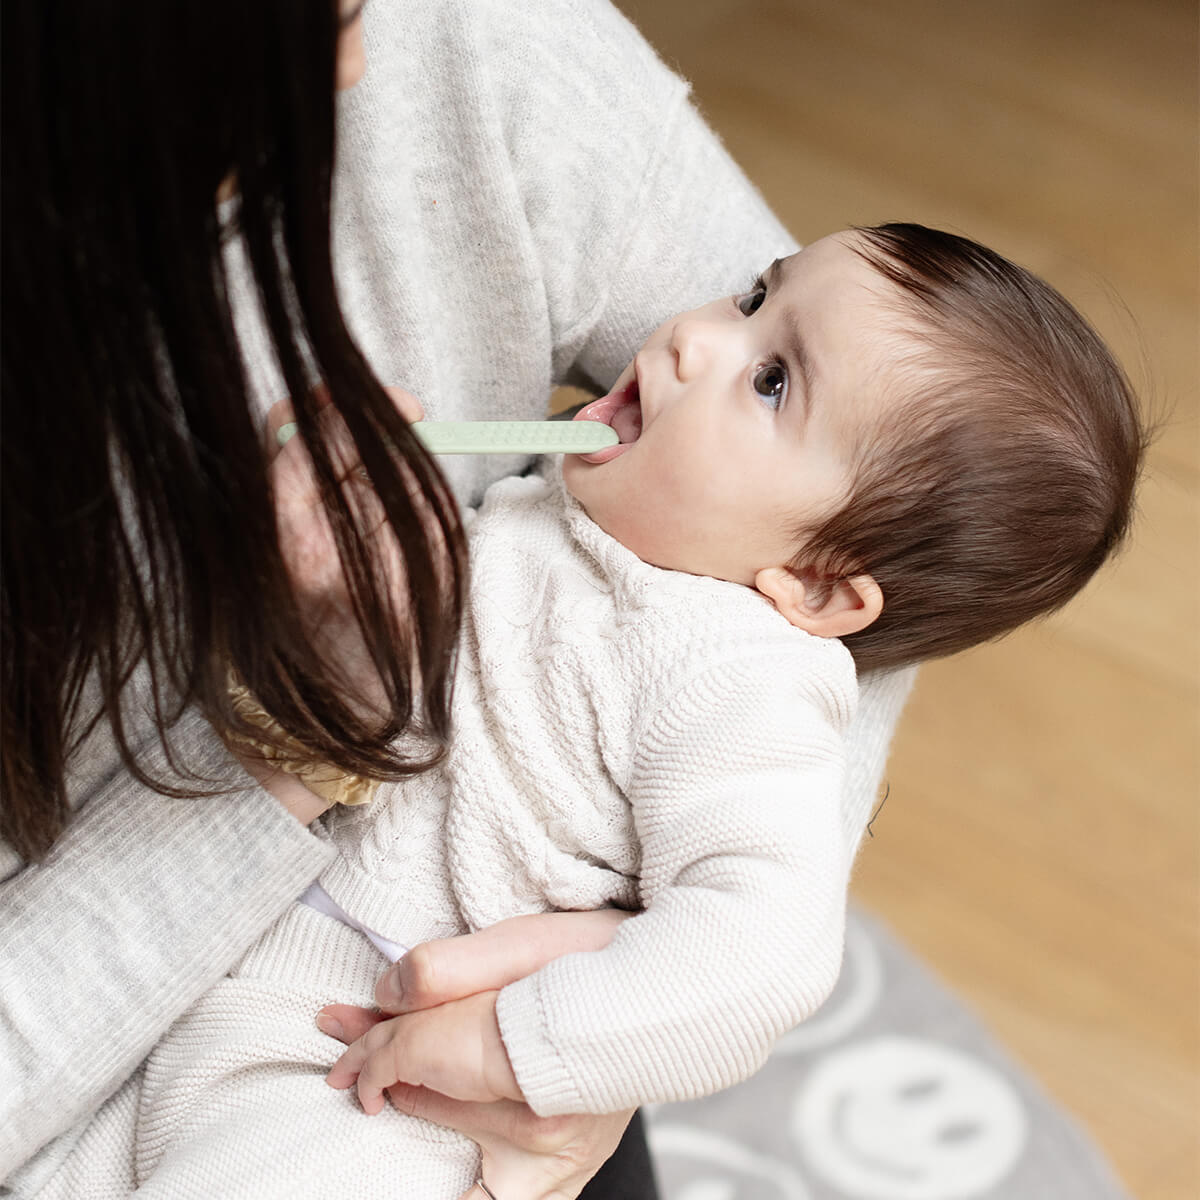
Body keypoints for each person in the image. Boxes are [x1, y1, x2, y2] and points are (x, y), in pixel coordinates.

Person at [0, 1, 917, 1196]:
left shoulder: (734, 652)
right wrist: (315, 711)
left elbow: (896, 475)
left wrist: (584, 1025)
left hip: (375, 1077)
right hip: (118, 1024)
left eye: (765, 357)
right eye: (320, 11)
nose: (365, 57)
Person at [30, 223, 1142, 1198]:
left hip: (368, 1080)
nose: (692, 338)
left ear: (813, 589)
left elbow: (765, 950)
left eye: (770, 382)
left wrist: (520, 1045)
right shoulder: (585, 514)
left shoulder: (736, 667)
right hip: (219, 979)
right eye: (755, 294)